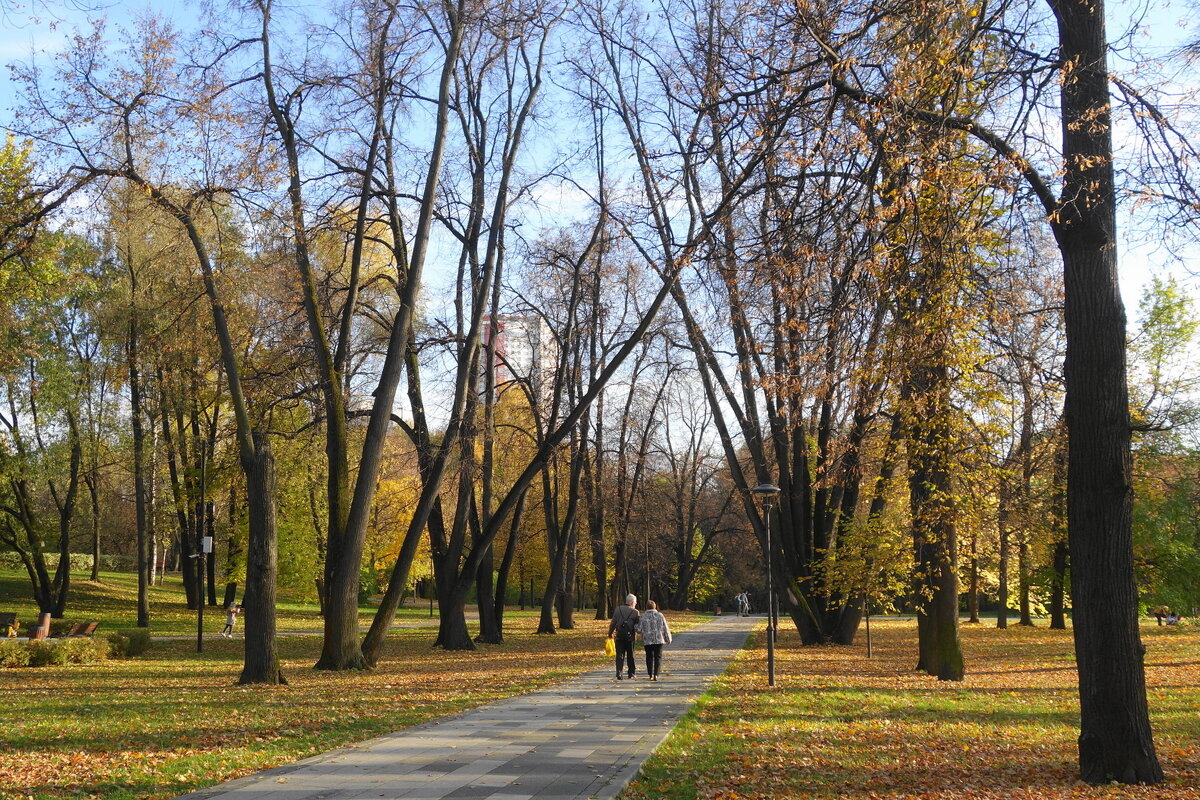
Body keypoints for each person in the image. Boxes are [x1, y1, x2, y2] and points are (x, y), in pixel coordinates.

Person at [636, 600, 672, 681]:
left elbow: (639, 629)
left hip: (647, 640)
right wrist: (668, 638)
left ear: (646, 607)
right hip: (659, 639)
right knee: (658, 657)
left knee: (649, 657)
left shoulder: (643, 616)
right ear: (655, 607)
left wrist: (634, 625)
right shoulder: (660, 615)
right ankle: (656, 674)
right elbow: (665, 627)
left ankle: (650, 674)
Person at [608, 594, 640, 680]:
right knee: (630, 655)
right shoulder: (635, 612)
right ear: (632, 602)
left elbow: (613, 622)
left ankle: (619, 672)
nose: (635, 604)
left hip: (619, 635)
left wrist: (610, 633)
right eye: (635, 602)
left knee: (619, 655)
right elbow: (637, 626)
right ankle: (631, 673)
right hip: (630, 637)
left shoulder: (618, 609)